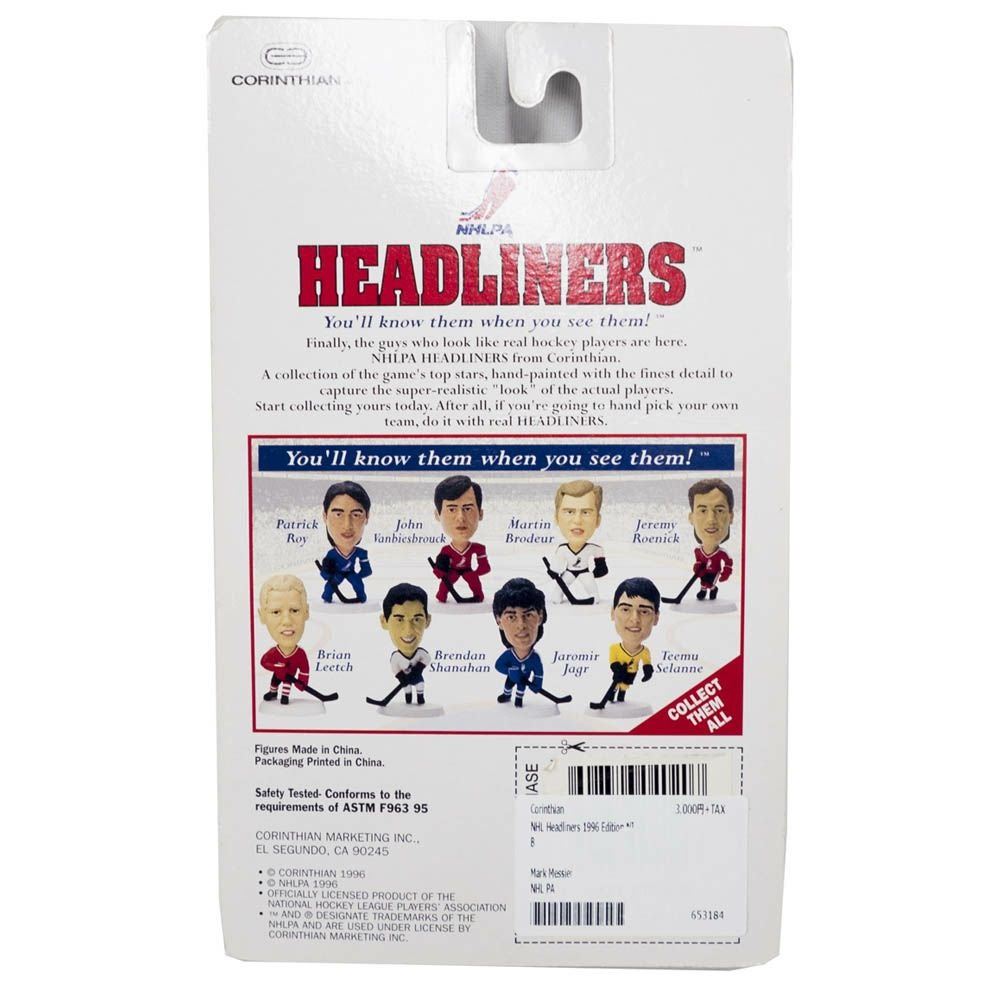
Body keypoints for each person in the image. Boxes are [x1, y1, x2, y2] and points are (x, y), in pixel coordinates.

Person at [593, 577, 660, 708]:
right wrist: (616, 668)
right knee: (616, 685)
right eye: (625, 609)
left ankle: (621, 698)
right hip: (619, 672)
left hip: (631, 673)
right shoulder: (615, 648)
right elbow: (613, 661)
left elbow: (646, 663)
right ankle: (611, 697)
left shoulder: (644, 651)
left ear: (656, 618)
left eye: (644, 611)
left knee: (624, 686)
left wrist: (647, 670)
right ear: (612, 613)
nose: (635, 619)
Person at [545, 479, 608, 604]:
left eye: (586, 512)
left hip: (585, 572)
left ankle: (593, 597)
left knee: (592, 590)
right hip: (569, 572)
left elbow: (599, 558)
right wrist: (554, 571)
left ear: (597, 520)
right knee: (558, 591)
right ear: (556, 517)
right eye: (569, 512)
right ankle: (557, 596)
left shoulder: (592, 548)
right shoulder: (562, 550)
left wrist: (600, 567)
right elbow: (558, 563)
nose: (577, 520)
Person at [431, 475, 490, 603]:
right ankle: (441, 596)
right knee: (444, 585)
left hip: (468, 570)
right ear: (437, 515)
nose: (461, 518)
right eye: (452, 509)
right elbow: (440, 566)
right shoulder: (446, 550)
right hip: (453, 571)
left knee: (474, 582)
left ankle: (478, 595)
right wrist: (440, 569)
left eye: (467, 508)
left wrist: (480, 568)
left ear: (480, 513)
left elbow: (483, 564)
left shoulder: (477, 548)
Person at [492, 578, 547, 708]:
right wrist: (511, 671)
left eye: (528, 615)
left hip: (522, 682)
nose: (521, 625)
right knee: (508, 685)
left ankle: (518, 699)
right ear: (499, 621)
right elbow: (499, 666)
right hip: (512, 678)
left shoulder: (534, 659)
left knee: (521, 687)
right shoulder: (508, 656)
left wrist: (537, 684)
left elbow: (538, 673)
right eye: (511, 617)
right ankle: (507, 695)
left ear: (540, 616)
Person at [257, 574, 311, 705]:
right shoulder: (274, 653)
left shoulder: (300, 654)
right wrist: (276, 667)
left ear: (306, 612)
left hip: (289, 677)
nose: (287, 621)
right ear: (262, 616)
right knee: (274, 682)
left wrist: (302, 681)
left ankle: (285, 696)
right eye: (276, 612)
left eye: (295, 610)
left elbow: (304, 669)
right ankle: (273, 692)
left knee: (287, 684)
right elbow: (264, 662)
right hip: (277, 674)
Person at [378, 583, 432, 706]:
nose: (408, 631)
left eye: (417, 619)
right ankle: (408, 701)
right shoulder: (396, 658)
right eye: (399, 619)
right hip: (405, 680)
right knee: (407, 689)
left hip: (417, 677)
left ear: (427, 621)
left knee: (420, 685)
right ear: (384, 621)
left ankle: (420, 699)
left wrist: (418, 669)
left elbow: (427, 658)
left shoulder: (420, 653)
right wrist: (402, 678)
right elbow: (395, 668)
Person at [318, 481, 372, 603]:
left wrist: (360, 575)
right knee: (329, 586)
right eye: (338, 514)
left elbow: (366, 569)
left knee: (358, 584)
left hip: (351, 573)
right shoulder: (332, 554)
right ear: (325, 516)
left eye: (356, 515)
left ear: (367, 517)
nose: (347, 526)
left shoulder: (360, 552)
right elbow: (326, 569)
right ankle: (326, 597)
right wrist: (327, 573)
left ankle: (361, 597)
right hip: (338, 574)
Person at [687, 478, 735, 600]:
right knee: (703, 582)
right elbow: (699, 560)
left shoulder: (722, 553)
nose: (711, 520)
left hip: (714, 571)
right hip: (704, 571)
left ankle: (713, 589)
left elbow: (728, 562)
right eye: (703, 510)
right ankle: (703, 591)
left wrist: (726, 571)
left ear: (731, 517)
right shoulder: (698, 551)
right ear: (691, 518)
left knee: (711, 583)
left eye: (719, 510)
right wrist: (697, 566)